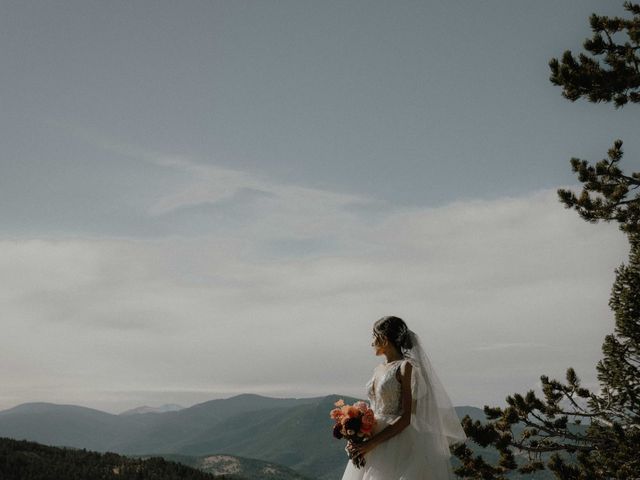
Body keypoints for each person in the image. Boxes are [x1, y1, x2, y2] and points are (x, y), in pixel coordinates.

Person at [340, 316, 467, 480]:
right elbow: (374, 407)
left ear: (384, 339)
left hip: (397, 441)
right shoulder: (378, 369)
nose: (371, 342)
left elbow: (407, 416)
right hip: (372, 438)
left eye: (373, 336)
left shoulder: (406, 367)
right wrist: (357, 436)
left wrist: (371, 444)